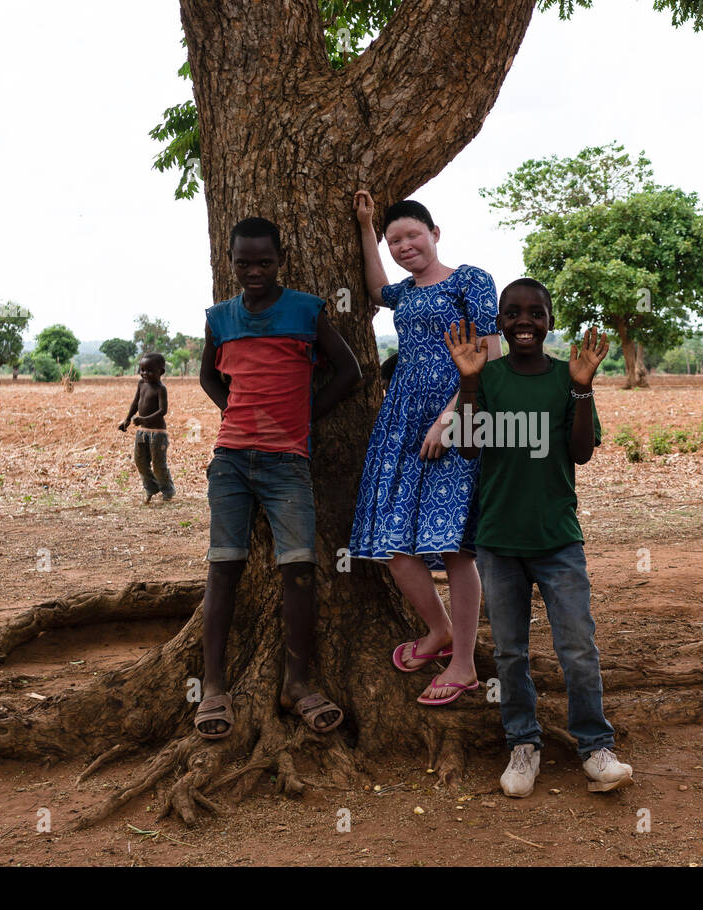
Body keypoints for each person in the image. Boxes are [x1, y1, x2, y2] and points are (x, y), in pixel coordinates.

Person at [444, 278, 634, 797]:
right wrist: (468, 384)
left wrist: (582, 387)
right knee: (510, 653)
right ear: (499, 323)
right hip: (499, 543)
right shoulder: (488, 378)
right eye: (513, 314)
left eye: (535, 313)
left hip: (557, 542)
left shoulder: (564, 379)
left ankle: (595, 747)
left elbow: (581, 452)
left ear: (550, 321)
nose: (524, 321)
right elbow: (463, 448)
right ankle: (522, 745)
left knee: (577, 647)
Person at [194, 216, 362, 738]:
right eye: (244, 263)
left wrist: (303, 415)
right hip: (230, 462)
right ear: (231, 263)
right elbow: (206, 374)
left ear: (281, 259)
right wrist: (233, 411)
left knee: (299, 570)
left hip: (288, 463)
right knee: (224, 568)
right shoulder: (220, 318)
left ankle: (296, 683)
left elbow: (350, 372)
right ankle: (214, 686)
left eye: (264, 261)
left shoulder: (307, 311)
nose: (254, 271)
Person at [349, 192, 502, 704]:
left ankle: (463, 665)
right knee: (395, 546)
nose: (404, 245)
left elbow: (490, 354)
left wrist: (449, 419)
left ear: (436, 234)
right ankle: (438, 632)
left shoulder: (470, 280)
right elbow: (375, 287)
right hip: (400, 421)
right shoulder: (405, 294)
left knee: (456, 547)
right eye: (396, 241)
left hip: (459, 418)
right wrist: (368, 225)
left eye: (413, 235)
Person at [118, 352, 176, 504]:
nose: (144, 373)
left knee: (158, 464)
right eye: (142, 369)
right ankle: (151, 487)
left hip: (158, 433)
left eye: (149, 370)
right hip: (142, 432)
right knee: (140, 461)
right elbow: (135, 402)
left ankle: (167, 490)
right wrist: (127, 419)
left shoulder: (160, 389)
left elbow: (163, 411)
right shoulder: (141, 384)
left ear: (160, 372)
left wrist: (144, 419)